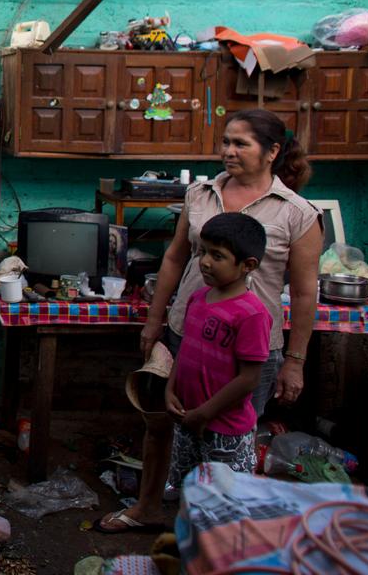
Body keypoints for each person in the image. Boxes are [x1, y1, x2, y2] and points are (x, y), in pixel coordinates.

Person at [95, 108, 322, 534]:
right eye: (226, 142)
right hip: (186, 332)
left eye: (241, 144)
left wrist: (295, 360)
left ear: (272, 151)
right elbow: (174, 259)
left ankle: (218, 533)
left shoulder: (297, 213)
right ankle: (149, 507)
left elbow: (306, 292)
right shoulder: (200, 194)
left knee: (228, 437)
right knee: (161, 423)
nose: (228, 151)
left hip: (250, 347)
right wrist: (154, 321)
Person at [164, 213, 270, 485]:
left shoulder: (252, 314)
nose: (205, 262)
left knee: (225, 497)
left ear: (247, 265)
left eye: (217, 256)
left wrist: (205, 412)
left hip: (225, 431)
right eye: (203, 252)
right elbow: (185, 351)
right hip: (188, 419)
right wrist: (170, 389)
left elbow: (249, 378)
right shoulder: (198, 298)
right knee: (189, 489)